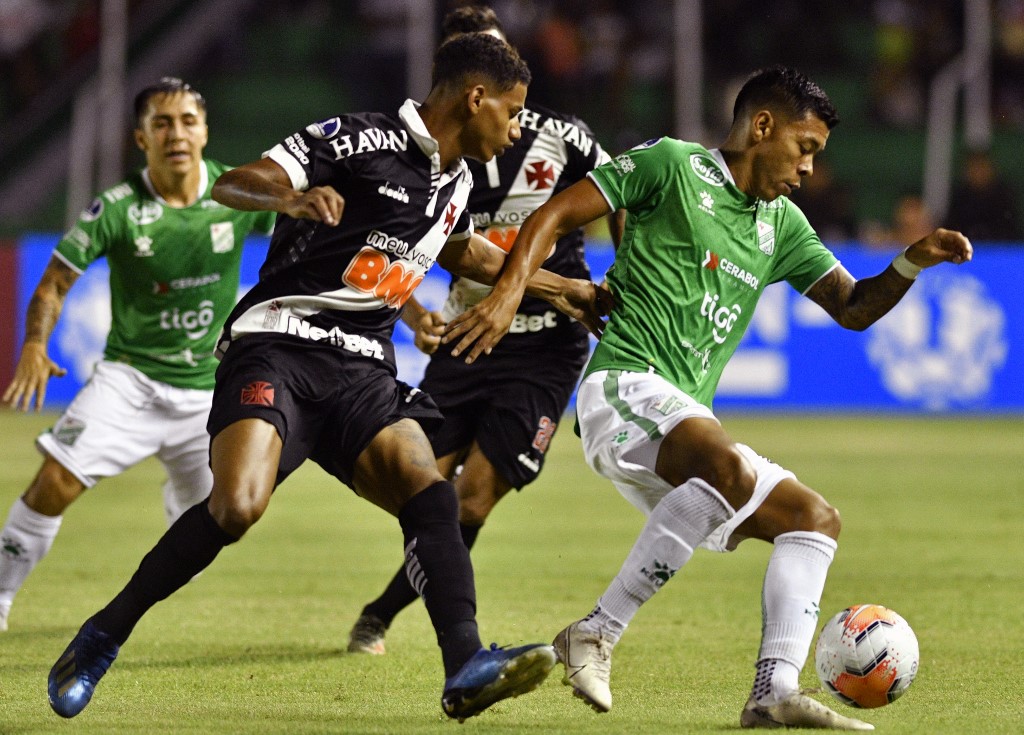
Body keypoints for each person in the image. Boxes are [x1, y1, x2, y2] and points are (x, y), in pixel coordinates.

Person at [45, 32, 610, 723]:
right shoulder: (358, 140)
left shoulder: (458, 180)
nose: (518, 126)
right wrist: (290, 197)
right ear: (476, 98)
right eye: (514, 109)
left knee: (430, 494)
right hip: (279, 345)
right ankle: (102, 634)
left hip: (362, 369)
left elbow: (460, 249)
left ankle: (465, 663)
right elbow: (235, 181)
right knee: (237, 506)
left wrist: (560, 288)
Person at [443, 65, 972, 729]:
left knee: (812, 518)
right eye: (804, 149)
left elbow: (855, 306)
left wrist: (910, 262)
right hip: (623, 387)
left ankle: (773, 690)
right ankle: (596, 632)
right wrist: (507, 292)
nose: (809, 169)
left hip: (682, 424)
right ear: (762, 127)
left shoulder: (781, 225)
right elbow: (554, 213)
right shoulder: (671, 166)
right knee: (729, 467)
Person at [346, 2, 621, 657]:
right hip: (469, 337)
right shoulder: (433, 159)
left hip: (547, 346)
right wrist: (414, 315)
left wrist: (624, 283)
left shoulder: (568, 140)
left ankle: (383, 617)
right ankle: (434, 630)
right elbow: (394, 245)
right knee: (416, 487)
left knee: (471, 496)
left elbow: (625, 202)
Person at [0, 77, 275, 633]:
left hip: (209, 390)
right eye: (161, 123)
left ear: (205, 131)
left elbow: (303, 239)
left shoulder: (239, 192)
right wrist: (34, 343)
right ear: (140, 139)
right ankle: (1, 597)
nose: (176, 133)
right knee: (54, 481)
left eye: (187, 121)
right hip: (131, 382)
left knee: (227, 519)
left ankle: (185, 499)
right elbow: (53, 284)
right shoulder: (117, 209)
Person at [944, 147, 1023, 242]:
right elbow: (951, 229)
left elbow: (1010, 232)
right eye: (973, 167)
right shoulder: (959, 198)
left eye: (981, 166)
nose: (978, 172)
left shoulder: (1004, 197)